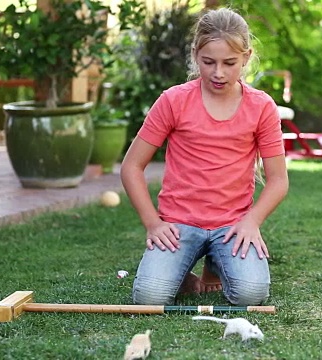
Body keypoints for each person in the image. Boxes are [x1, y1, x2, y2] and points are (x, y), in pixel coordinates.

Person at [120, 7, 289, 306]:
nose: (218, 72)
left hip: (232, 225)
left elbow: (278, 181)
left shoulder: (261, 107)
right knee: (149, 297)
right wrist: (153, 223)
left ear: (246, 58)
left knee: (251, 294)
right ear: (195, 54)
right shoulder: (173, 100)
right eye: (208, 62)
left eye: (229, 63)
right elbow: (132, 166)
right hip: (179, 224)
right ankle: (182, 269)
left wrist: (252, 222)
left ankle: (214, 265)